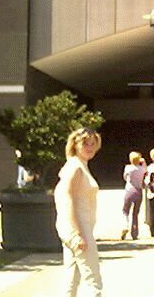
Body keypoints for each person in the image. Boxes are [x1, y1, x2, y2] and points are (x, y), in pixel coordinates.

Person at [54, 127, 103, 297]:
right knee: (93, 280)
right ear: (75, 144)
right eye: (85, 144)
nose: (89, 147)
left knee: (72, 277)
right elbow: (68, 199)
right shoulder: (75, 167)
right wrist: (78, 233)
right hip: (78, 229)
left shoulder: (78, 165)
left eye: (92, 144)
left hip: (75, 229)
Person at [121, 151, 147, 240]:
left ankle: (125, 226)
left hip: (129, 190)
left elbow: (125, 177)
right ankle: (134, 233)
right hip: (139, 191)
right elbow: (146, 171)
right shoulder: (142, 169)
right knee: (135, 213)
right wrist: (143, 162)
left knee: (125, 211)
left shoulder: (128, 168)